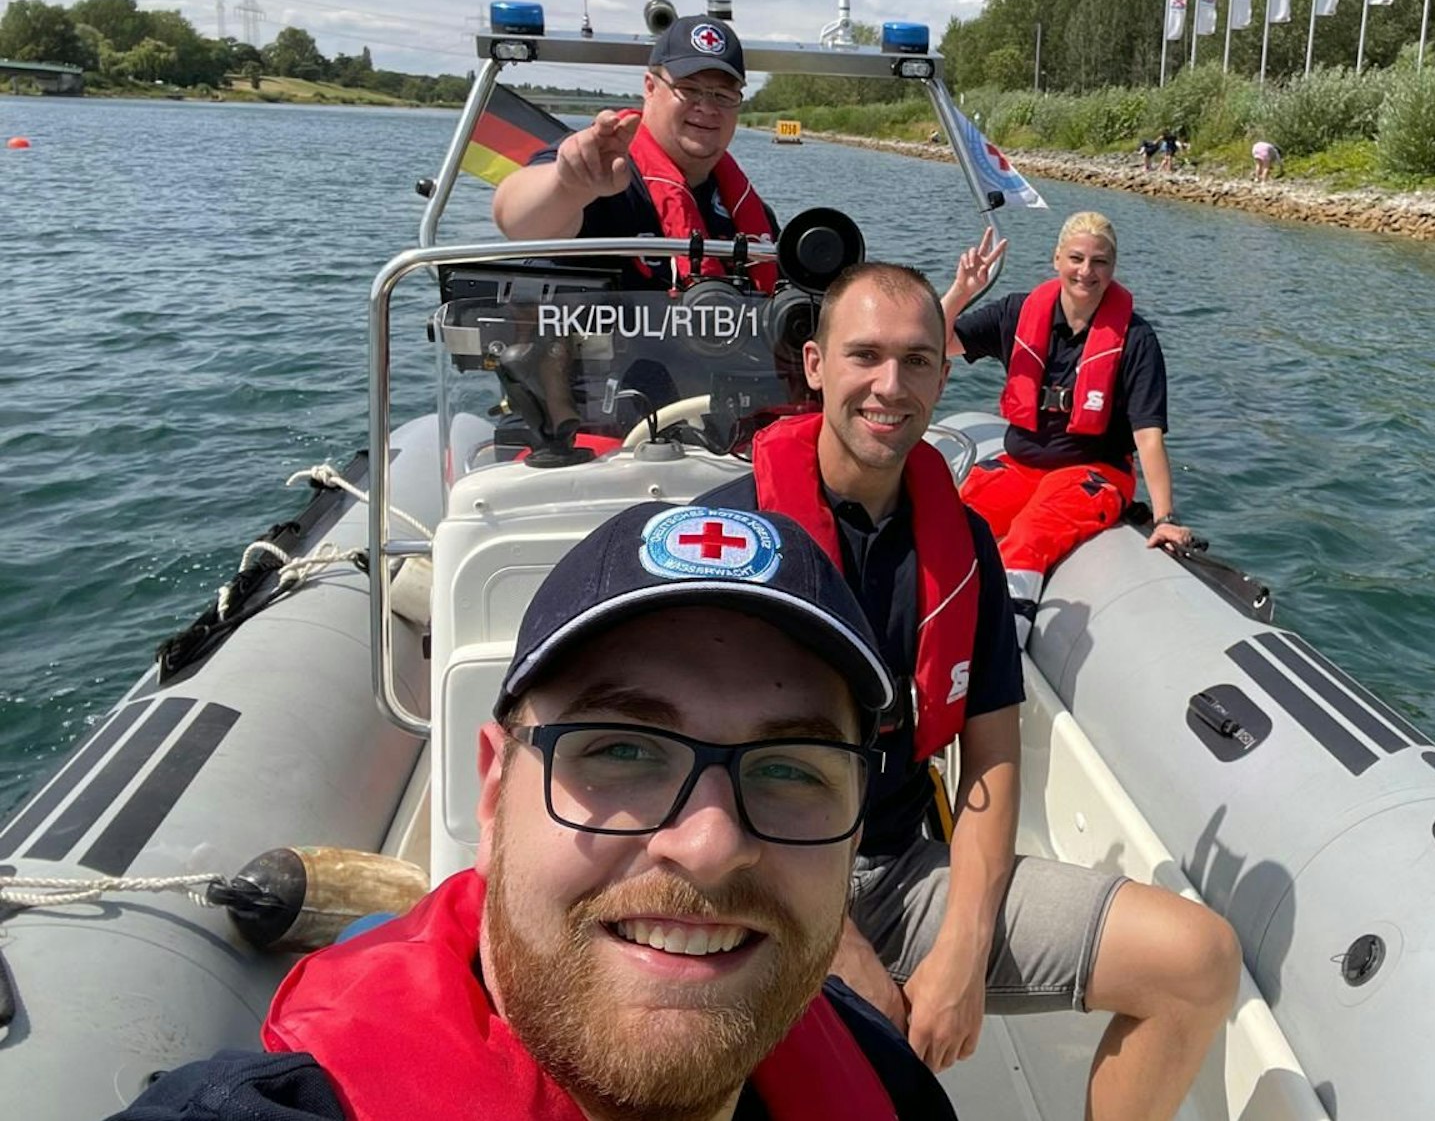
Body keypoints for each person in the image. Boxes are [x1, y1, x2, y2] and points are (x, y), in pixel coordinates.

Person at [112, 504, 957, 1120]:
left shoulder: (883, 1074)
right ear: (492, 792)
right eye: (621, 749)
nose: (709, 842)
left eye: (791, 769)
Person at [699, 263, 1241, 1121]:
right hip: (752, 882)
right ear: (813, 366)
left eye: (917, 362)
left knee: (1196, 961)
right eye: (864, 356)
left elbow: (989, 761)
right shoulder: (729, 545)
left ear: (945, 378)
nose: (890, 385)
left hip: (898, 868)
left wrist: (961, 947)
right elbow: (698, 802)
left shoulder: (964, 551)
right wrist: (838, 954)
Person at [942, 213, 1194, 638]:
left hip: (1093, 470)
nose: (1086, 271)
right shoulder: (1017, 313)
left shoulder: (1136, 338)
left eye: (1100, 262)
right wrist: (960, 293)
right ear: (1056, 258)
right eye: (1076, 258)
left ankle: (1002, 648)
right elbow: (940, 342)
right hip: (1021, 464)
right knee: (951, 519)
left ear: (1113, 269)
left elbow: (1148, 435)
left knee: (1030, 533)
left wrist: (1165, 516)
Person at [492, 15, 780, 291]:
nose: (706, 107)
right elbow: (517, 221)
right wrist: (566, 185)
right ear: (650, 88)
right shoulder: (601, 166)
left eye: (723, 95)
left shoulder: (751, 214)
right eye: (689, 89)